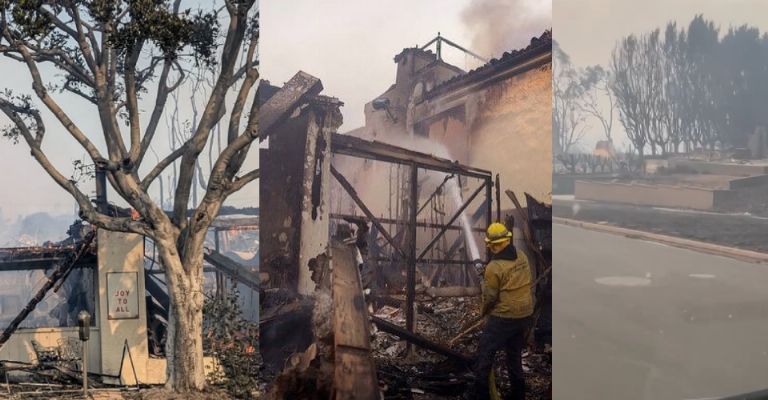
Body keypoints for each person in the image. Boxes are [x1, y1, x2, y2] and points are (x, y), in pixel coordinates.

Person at [470, 222, 534, 400]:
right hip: (524, 314)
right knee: (514, 356)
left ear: (490, 244)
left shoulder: (494, 267)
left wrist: (483, 312)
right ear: (507, 239)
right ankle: (518, 395)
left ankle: (481, 395)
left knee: (484, 355)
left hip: (504, 317)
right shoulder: (521, 256)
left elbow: (490, 297)